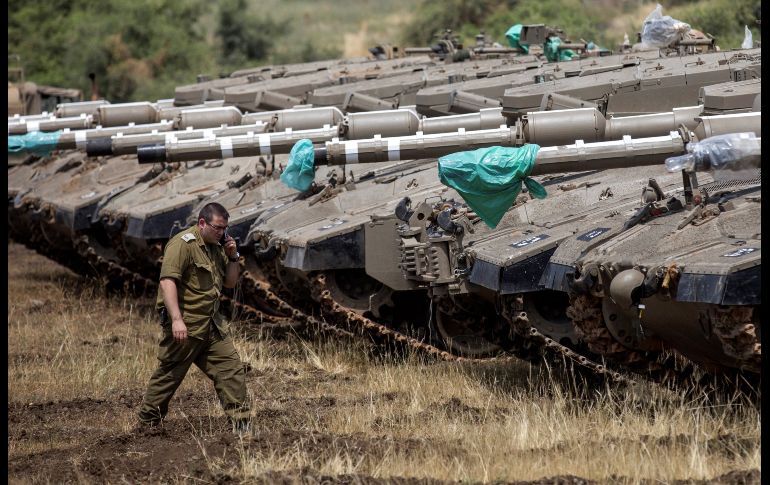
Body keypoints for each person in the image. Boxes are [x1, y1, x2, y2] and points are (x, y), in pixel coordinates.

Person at [138, 202, 250, 433]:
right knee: (170, 375)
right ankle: (147, 424)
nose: (222, 233)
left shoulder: (216, 247)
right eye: (217, 227)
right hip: (187, 325)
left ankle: (242, 425)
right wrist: (177, 319)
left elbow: (229, 283)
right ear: (202, 223)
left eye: (225, 228)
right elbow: (167, 281)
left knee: (231, 370)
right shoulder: (182, 244)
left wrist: (233, 256)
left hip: (212, 324)